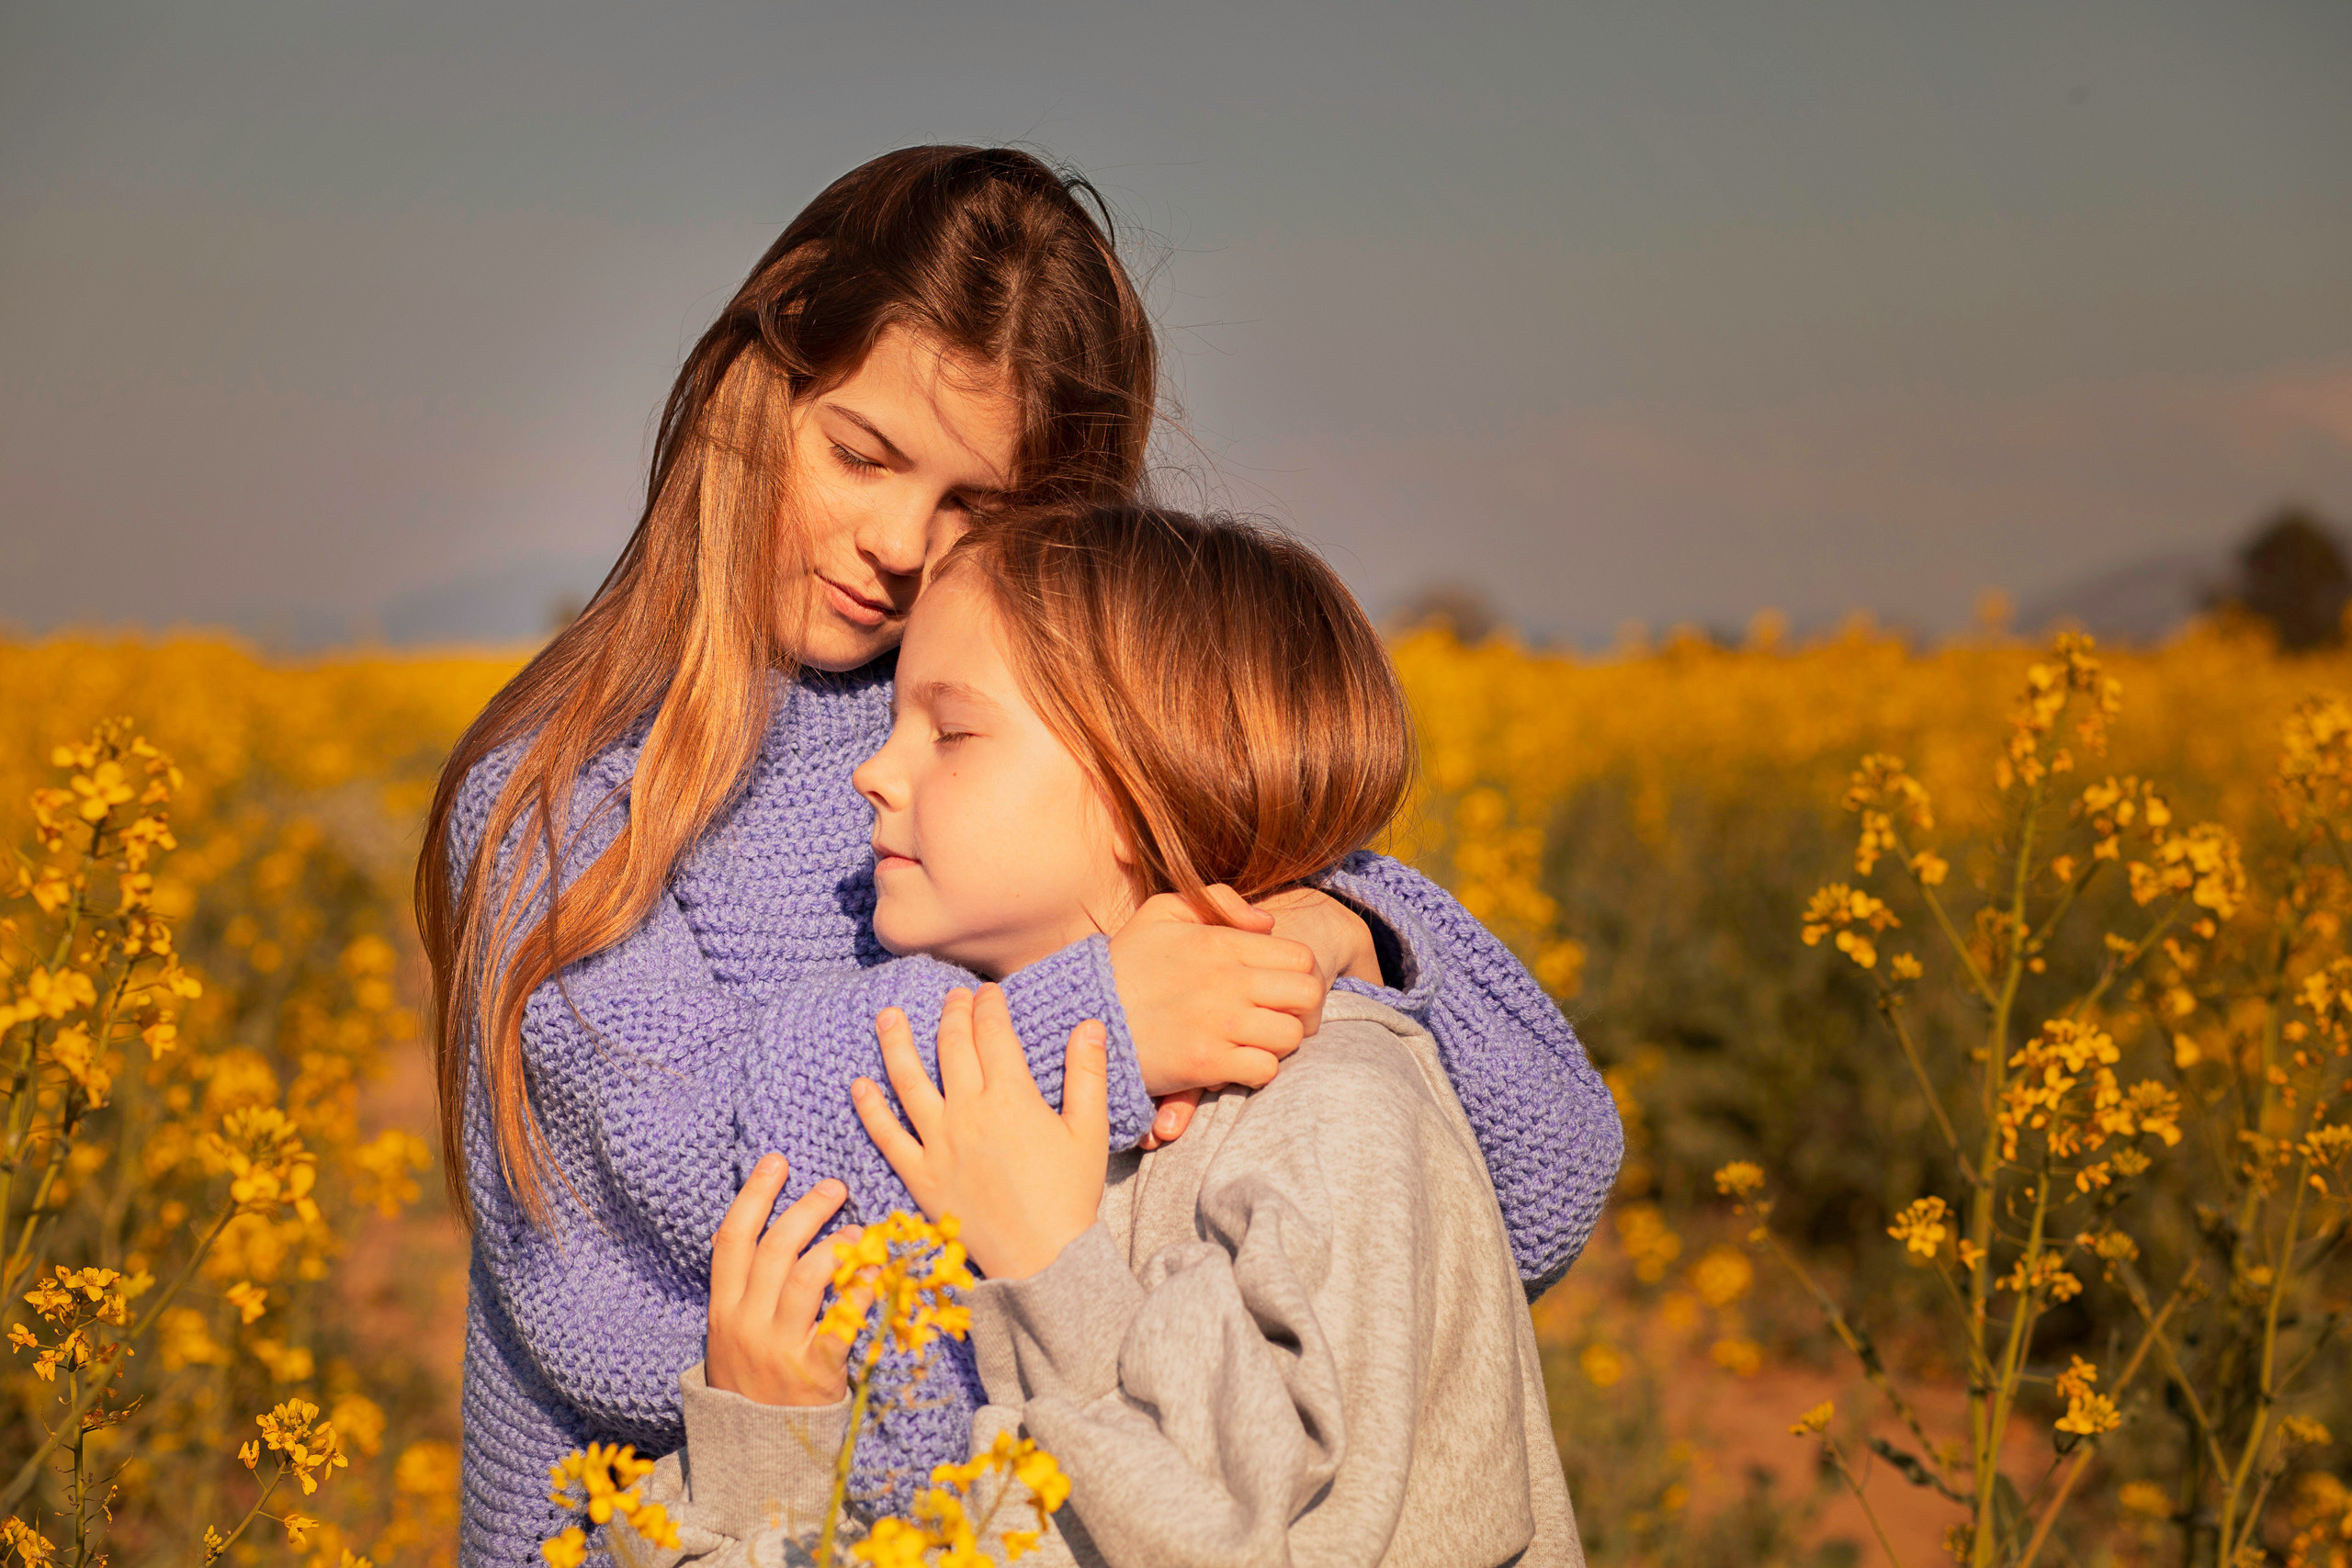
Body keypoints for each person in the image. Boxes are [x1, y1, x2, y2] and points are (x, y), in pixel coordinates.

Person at [418, 146, 1619, 1568]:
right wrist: (1101, 1015)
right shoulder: (565, 799)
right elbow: (651, 1268)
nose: (896, 544)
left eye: (975, 510)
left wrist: (1323, 924)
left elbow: (1543, 1163)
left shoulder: (1021, 732)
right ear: (756, 378)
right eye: (861, 454)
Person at [624, 504, 1582, 1566]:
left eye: (949, 732)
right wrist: (774, 1452)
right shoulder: (983, 1103)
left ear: (1148, 777)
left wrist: (1046, 1264)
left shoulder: (1334, 1107)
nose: (875, 774)